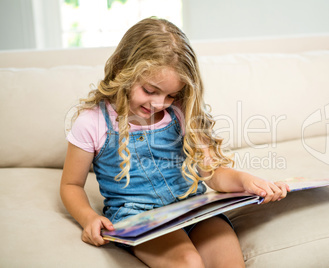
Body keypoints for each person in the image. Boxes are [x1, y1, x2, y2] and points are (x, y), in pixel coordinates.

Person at [60, 17, 289, 268]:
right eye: (149, 90)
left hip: (194, 209)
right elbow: (71, 184)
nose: (159, 103)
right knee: (188, 263)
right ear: (122, 70)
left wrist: (246, 182)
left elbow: (213, 174)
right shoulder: (93, 122)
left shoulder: (181, 112)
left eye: (171, 95)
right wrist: (88, 218)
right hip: (140, 219)